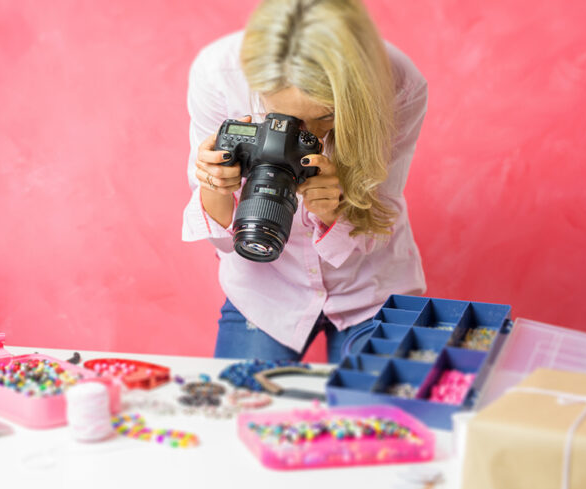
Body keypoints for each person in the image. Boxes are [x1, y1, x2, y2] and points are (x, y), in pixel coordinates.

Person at [182, 0, 427, 363]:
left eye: (326, 117)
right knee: (238, 407)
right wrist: (215, 185)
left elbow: (380, 210)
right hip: (264, 289)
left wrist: (336, 210)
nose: (306, 135)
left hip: (371, 285)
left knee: (376, 414)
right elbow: (226, 243)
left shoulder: (398, 84)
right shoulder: (219, 75)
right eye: (284, 119)